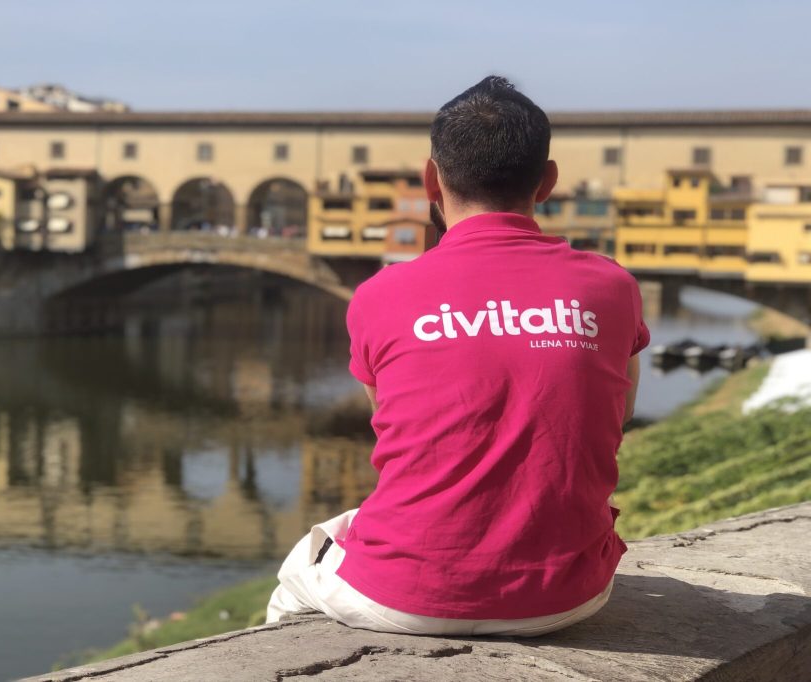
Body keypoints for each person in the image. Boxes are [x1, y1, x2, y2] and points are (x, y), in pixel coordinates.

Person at [266, 76, 649, 637]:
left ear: (431, 179)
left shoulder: (381, 294)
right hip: (571, 594)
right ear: (547, 182)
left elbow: (393, 423)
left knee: (298, 574)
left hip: (409, 593)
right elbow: (619, 413)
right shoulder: (611, 288)